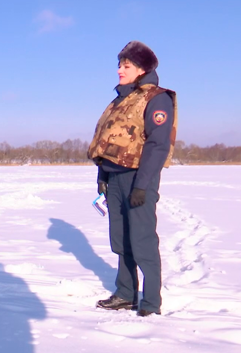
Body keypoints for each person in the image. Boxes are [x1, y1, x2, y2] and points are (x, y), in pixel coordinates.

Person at [87, 41, 177, 317]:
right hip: (115, 179)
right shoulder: (119, 100)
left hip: (139, 178)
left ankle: (150, 301)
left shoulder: (156, 98)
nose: (119, 70)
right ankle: (126, 293)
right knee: (121, 240)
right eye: (119, 65)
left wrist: (141, 185)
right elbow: (108, 141)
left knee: (142, 240)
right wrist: (102, 175)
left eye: (126, 66)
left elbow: (157, 145)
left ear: (141, 69)